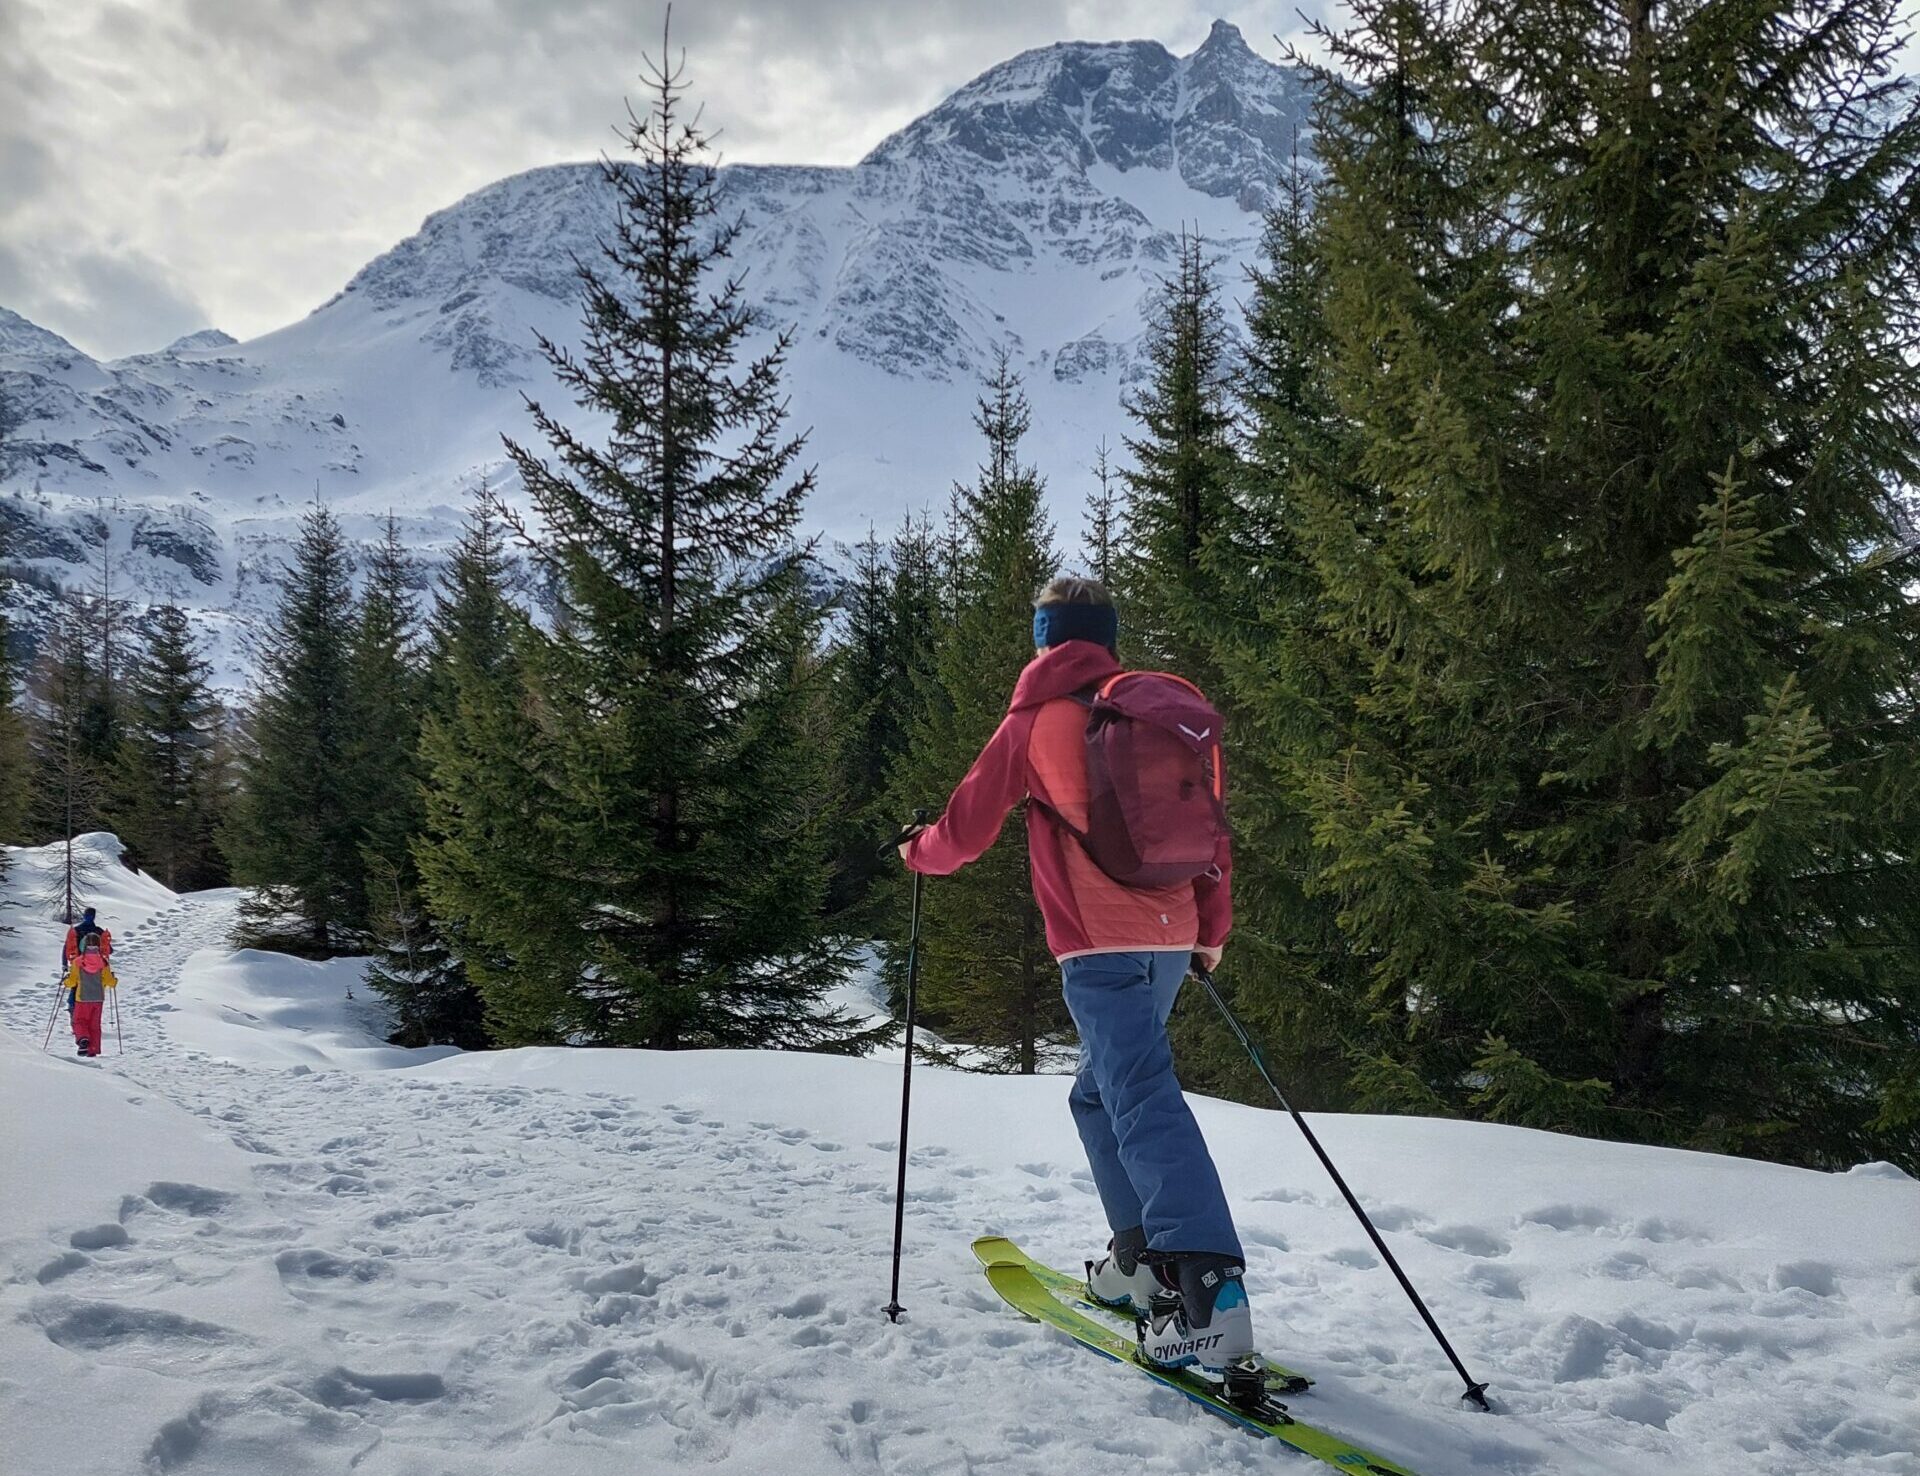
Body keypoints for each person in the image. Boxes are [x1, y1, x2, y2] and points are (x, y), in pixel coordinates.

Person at [899, 576, 1252, 1372]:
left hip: (1096, 942)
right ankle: (1138, 1261)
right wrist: (1212, 932)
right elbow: (1214, 833)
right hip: (1175, 935)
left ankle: (1206, 1285)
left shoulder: (1036, 718)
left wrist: (914, 850)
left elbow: (960, 834)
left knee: (1137, 1093)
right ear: (1108, 637)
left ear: (1043, 637)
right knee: (1098, 1093)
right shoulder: (1162, 714)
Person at [61, 907, 116, 1057]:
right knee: (95, 1024)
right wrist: (113, 980)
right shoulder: (103, 959)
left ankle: (82, 1037)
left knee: (79, 1016)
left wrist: (65, 969)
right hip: (98, 994)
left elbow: (66, 948)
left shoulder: (77, 936)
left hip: (81, 984)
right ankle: (93, 1050)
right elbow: (109, 951)